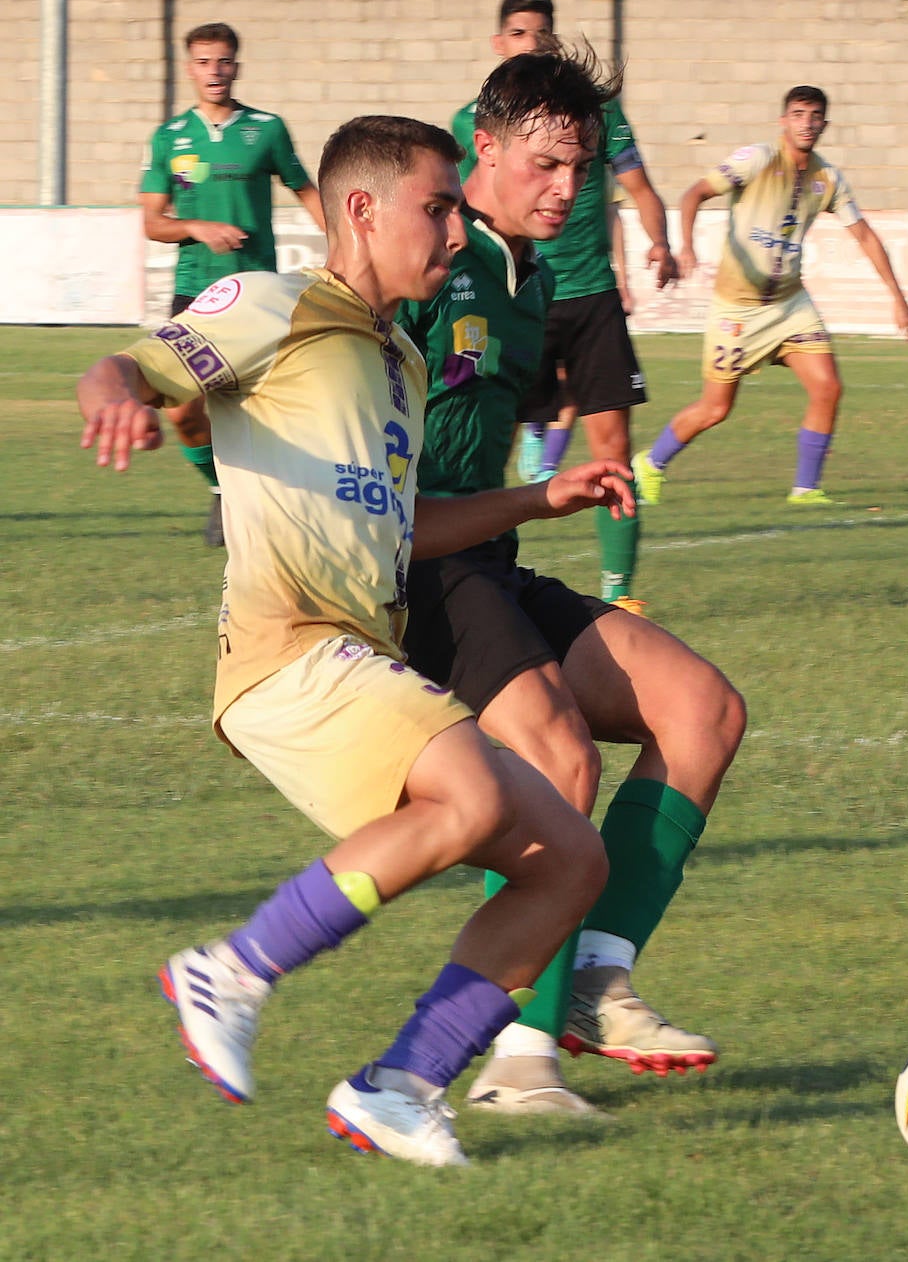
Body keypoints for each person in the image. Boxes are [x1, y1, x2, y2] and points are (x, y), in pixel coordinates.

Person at [79, 114, 640, 1168]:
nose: (453, 224)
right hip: (286, 649)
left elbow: (403, 526)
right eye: (438, 206)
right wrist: (116, 398)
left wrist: (541, 496)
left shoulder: (398, 360)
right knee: (475, 794)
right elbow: (127, 370)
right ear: (362, 211)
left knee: (569, 861)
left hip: (359, 657)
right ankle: (232, 971)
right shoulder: (272, 304)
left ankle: (401, 1084)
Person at [401, 48, 746, 1117]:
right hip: (405, 571)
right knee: (554, 753)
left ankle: (594, 974)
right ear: (484, 148)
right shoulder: (421, 260)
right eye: (547, 164)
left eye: (581, 169)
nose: (567, 189)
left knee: (703, 710)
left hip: (484, 556)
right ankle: (517, 1057)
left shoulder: (532, 279)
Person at [452, 0, 677, 609]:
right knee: (470, 432)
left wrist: (660, 243)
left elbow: (637, 188)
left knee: (612, 451)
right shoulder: (463, 142)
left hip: (586, 293)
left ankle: (621, 592)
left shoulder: (601, 117)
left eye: (578, 169)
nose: (567, 187)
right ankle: (534, 431)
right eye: (521, 34)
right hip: (510, 297)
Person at [633, 85, 908, 507]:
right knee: (716, 409)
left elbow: (865, 235)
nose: (807, 123)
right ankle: (651, 464)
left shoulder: (828, 179)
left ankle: (806, 489)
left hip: (790, 305)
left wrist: (899, 298)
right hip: (738, 309)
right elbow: (694, 193)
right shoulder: (757, 160)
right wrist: (687, 246)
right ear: (783, 120)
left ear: (825, 123)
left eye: (815, 115)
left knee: (828, 388)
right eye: (799, 114)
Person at [139, 22, 326, 546]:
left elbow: (305, 190)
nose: (214, 71)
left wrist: (346, 244)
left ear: (236, 66)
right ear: (190, 67)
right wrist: (195, 227)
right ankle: (223, 489)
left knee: (272, 411)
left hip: (258, 294)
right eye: (203, 62)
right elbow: (153, 223)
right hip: (195, 292)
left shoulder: (265, 129)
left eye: (223, 61)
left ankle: (291, 508)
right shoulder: (170, 138)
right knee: (181, 410)